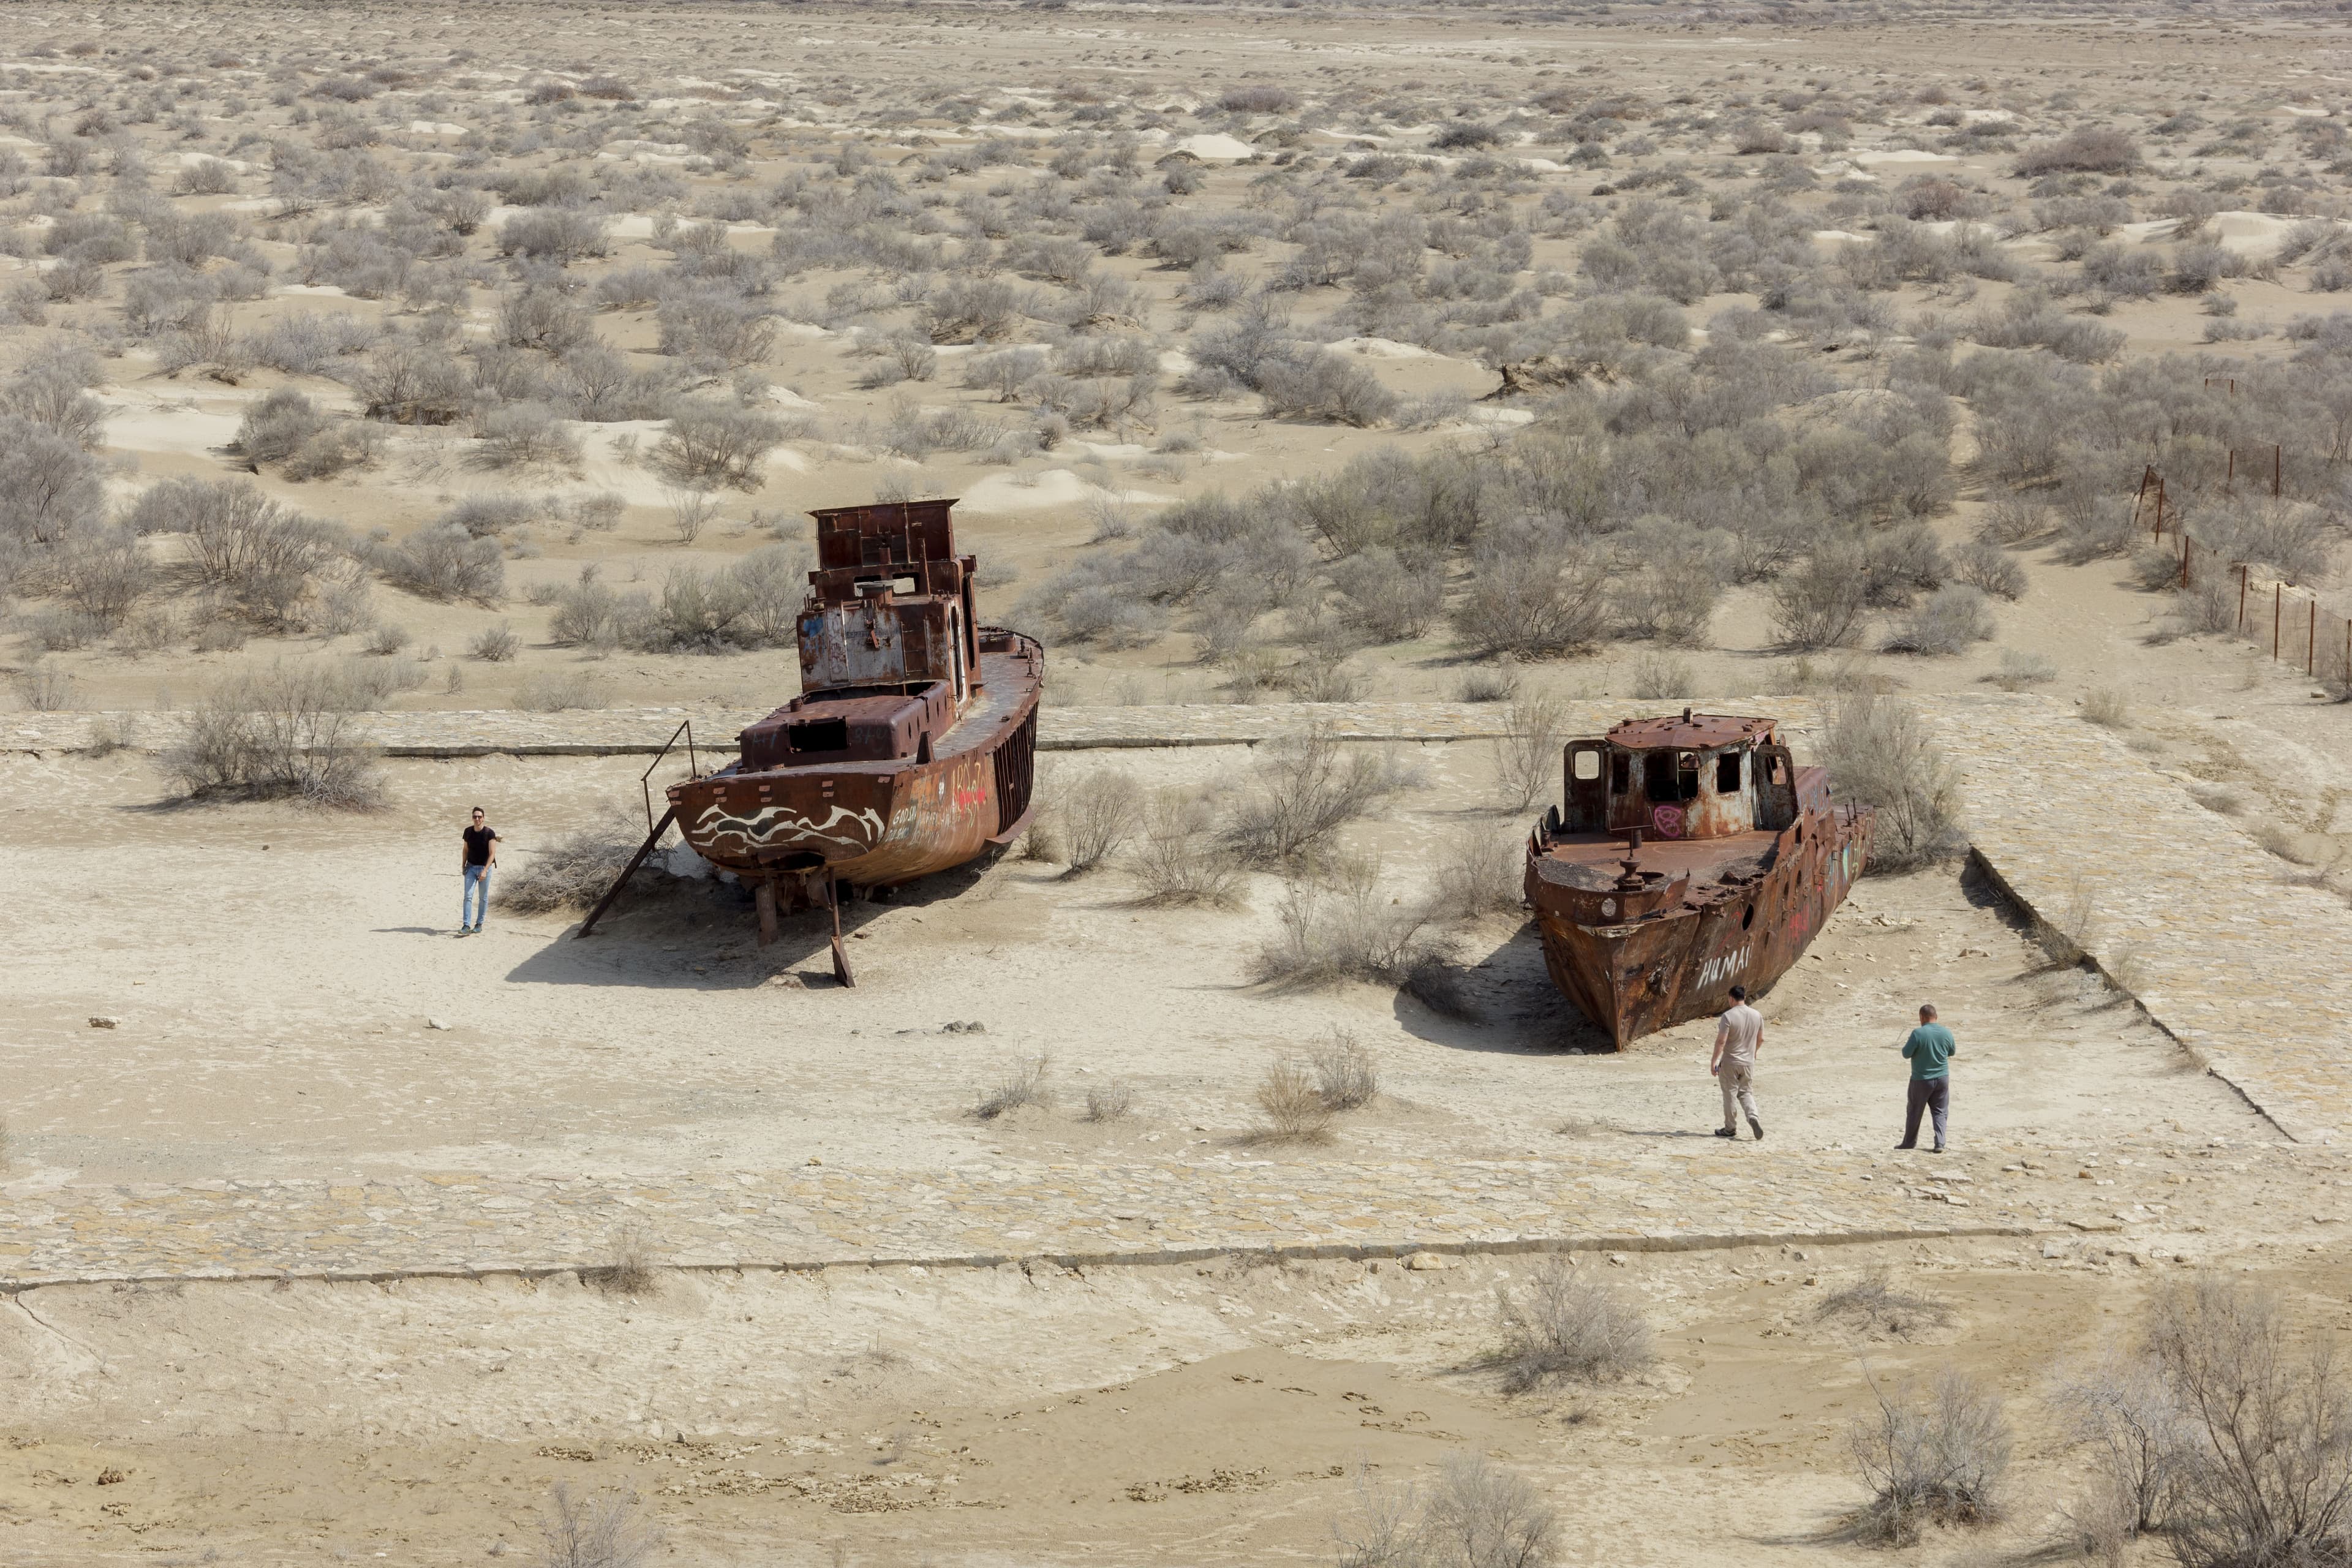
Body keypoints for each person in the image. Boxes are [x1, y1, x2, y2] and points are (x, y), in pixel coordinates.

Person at [1896, 1003, 1957, 1152]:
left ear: (1922, 1017)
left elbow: (1906, 1054)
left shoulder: (1918, 1033)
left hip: (1921, 1079)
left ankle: (1909, 1143)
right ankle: (1940, 1143)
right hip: (1942, 1077)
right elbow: (1952, 1052)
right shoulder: (1946, 1032)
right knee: (1940, 1111)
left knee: (1914, 1111)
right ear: (1936, 1017)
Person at [1709, 984, 1765, 1142]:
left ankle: (1730, 1128)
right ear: (1744, 998)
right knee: (1746, 1092)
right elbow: (1761, 1039)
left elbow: (1721, 1041)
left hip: (1730, 1062)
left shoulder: (1728, 1016)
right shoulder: (1757, 1015)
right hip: (1748, 1062)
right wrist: (1754, 1052)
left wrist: (1714, 1061)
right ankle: (1753, 1116)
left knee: (1730, 1094)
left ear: (1731, 998)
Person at [459, 806, 499, 935]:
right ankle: (466, 925)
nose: (477, 819)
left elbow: (492, 854)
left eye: (479, 817)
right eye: (475, 817)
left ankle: (479, 924)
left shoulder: (489, 833)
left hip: (484, 868)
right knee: (468, 896)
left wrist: (485, 870)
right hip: (471, 867)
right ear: (472, 818)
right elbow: (465, 849)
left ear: (483, 818)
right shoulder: (468, 832)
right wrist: (463, 865)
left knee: (483, 898)